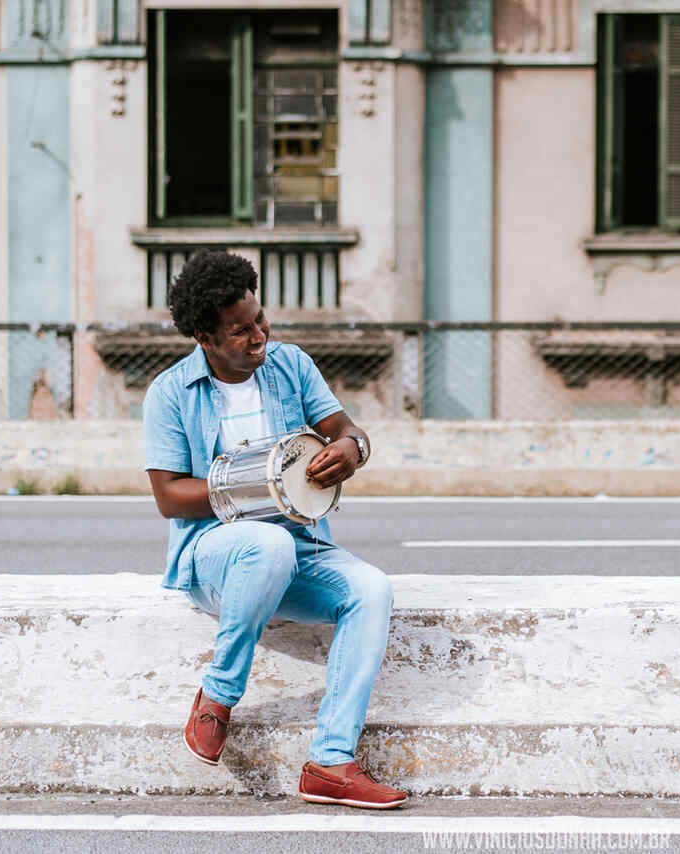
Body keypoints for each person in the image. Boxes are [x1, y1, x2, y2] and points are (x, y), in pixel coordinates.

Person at [142, 249, 408, 809]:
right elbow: (170, 496)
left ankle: (331, 763)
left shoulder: (290, 364)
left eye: (261, 320)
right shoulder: (170, 393)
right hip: (218, 554)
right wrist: (268, 488)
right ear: (204, 337)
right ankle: (218, 695)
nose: (259, 335)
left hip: (301, 547)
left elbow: (346, 428)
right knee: (264, 542)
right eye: (240, 331)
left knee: (371, 589)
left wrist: (351, 449)